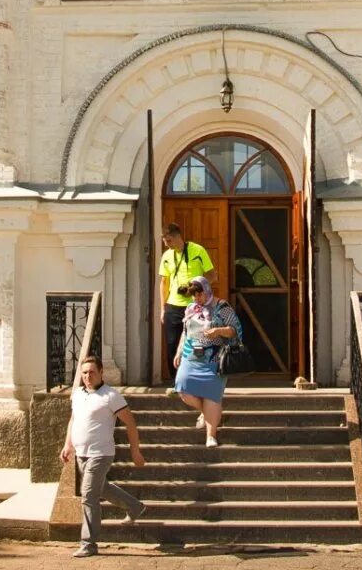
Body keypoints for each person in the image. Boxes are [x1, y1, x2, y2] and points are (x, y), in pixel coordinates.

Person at [58, 354, 146, 558]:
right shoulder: (78, 394)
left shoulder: (111, 396)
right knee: (102, 488)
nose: (88, 376)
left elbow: (130, 423)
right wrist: (67, 444)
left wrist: (135, 450)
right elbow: (74, 420)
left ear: (101, 373)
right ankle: (135, 506)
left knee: (88, 495)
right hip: (81, 453)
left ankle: (88, 543)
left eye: (92, 372)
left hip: (101, 454)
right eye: (85, 373)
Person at [172, 275, 244, 447]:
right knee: (182, 388)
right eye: (194, 296)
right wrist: (179, 352)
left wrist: (218, 331)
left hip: (214, 358)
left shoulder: (222, 306)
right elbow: (185, 332)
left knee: (212, 397)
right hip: (191, 356)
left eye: (199, 295)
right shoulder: (191, 308)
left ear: (207, 291)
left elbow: (235, 330)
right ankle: (205, 412)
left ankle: (210, 436)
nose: (197, 299)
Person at [157, 222, 213, 382]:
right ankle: (177, 382)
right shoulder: (167, 255)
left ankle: (196, 379)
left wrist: (196, 287)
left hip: (195, 306)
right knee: (172, 344)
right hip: (173, 306)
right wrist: (163, 308)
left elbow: (212, 275)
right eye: (164, 241)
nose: (166, 245)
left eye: (168, 241)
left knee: (197, 343)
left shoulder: (197, 250)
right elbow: (164, 282)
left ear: (177, 237)